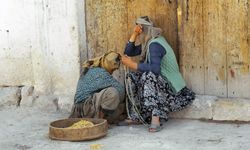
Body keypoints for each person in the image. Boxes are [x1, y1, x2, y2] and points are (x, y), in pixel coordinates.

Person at [120, 16, 195, 132]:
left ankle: (156, 120)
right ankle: (137, 116)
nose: (137, 29)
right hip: (163, 88)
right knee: (131, 77)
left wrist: (132, 64)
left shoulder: (155, 44)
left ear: (142, 28)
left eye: (138, 27)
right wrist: (134, 34)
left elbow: (155, 69)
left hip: (174, 92)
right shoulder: (148, 43)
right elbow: (128, 52)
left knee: (149, 76)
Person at [69, 51, 125, 121]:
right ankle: (100, 121)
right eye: (113, 69)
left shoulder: (91, 68)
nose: (113, 71)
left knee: (119, 108)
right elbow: (121, 91)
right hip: (85, 108)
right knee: (113, 93)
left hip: (80, 108)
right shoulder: (101, 73)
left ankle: (99, 118)